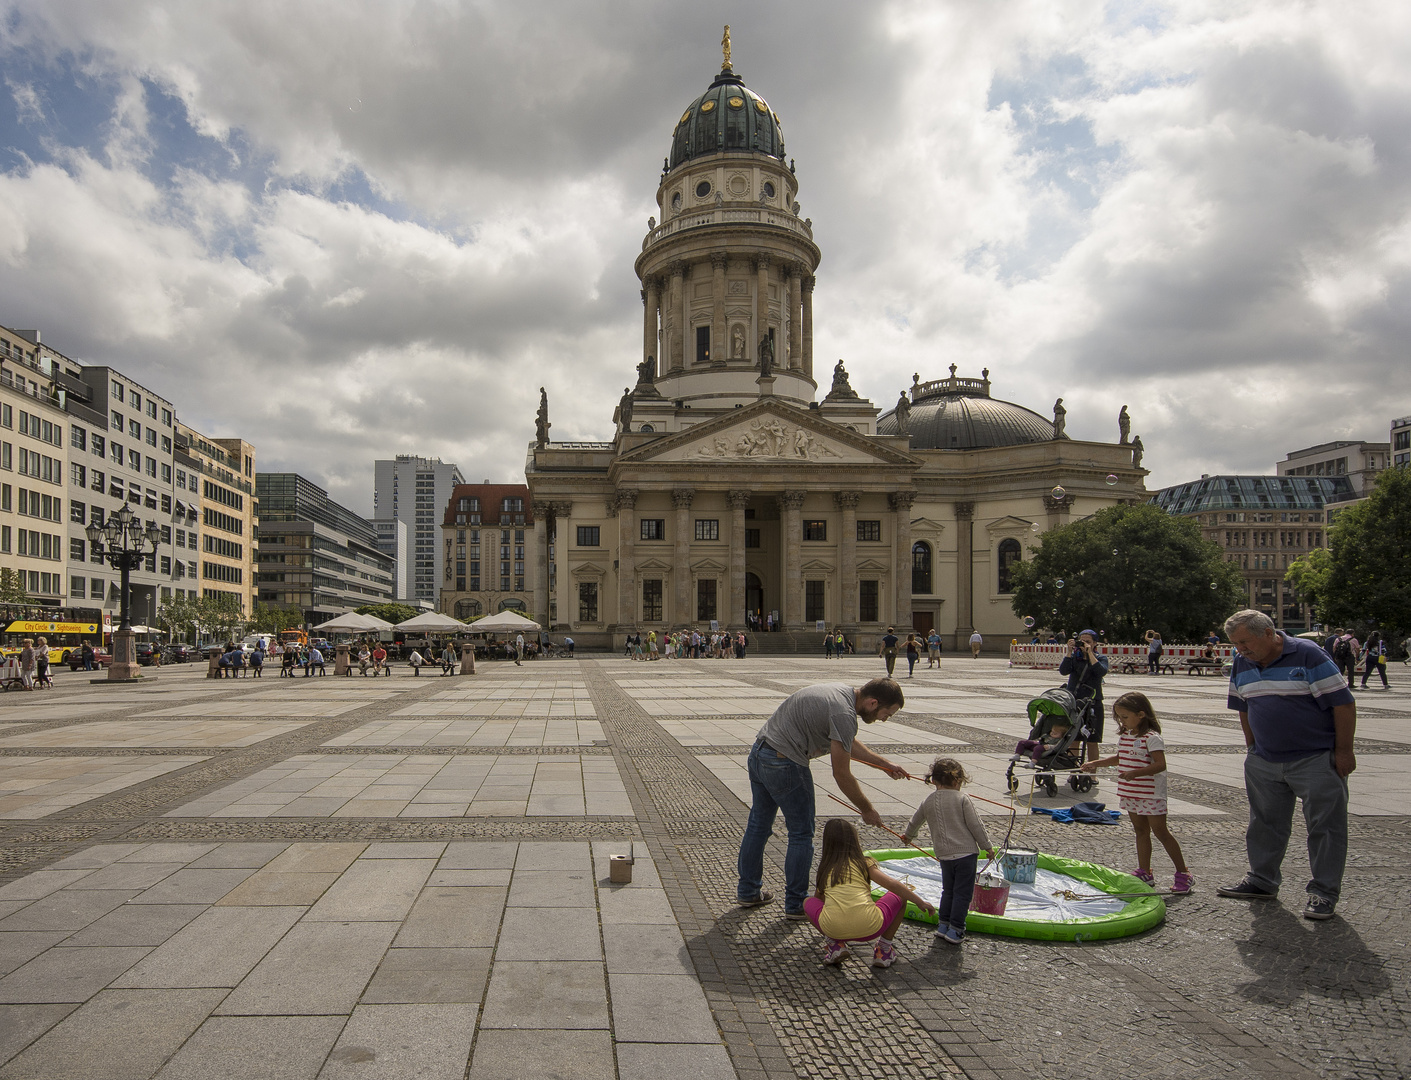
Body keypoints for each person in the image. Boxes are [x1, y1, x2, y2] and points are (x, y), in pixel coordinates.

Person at [1217, 609, 1355, 921]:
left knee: (1325, 827)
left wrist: (1344, 751)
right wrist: (1252, 747)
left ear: (1268, 633)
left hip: (1315, 758)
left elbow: (1342, 702)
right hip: (1264, 760)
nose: (1240, 650)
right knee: (1264, 823)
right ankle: (1262, 880)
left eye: (1245, 642)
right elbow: (1243, 705)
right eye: (1235, 645)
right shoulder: (1242, 662)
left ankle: (1323, 893)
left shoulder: (1307, 655)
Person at [737, 678, 909, 919]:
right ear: (873, 702)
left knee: (758, 827)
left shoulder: (840, 693)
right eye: (886, 714)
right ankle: (796, 904)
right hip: (785, 763)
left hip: (760, 753)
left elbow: (844, 739)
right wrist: (866, 809)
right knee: (801, 833)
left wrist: (883, 764)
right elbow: (841, 773)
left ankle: (748, 892)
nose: (884, 719)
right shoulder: (844, 713)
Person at [1081, 691, 1192, 894]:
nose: (1121, 722)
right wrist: (1095, 763)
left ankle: (1183, 874)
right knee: (1140, 831)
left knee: (1161, 832)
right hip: (1131, 791)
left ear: (1141, 714)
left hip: (1150, 793)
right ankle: (1144, 872)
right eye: (1118, 718)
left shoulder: (1152, 738)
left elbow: (1160, 765)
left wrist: (1136, 773)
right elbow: (1119, 758)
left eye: (1124, 717)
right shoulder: (1126, 736)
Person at [804, 819, 935, 968]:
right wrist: (920, 902)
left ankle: (835, 945)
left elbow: (819, 901)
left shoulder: (826, 868)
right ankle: (883, 950)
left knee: (808, 902)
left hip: (833, 929)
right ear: (854, 840)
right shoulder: (863, 863)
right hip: (871, 928)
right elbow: (893, 884)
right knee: (900, 895)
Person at [901, 758, 994, 944]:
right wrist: (988, 847)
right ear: (957, 781)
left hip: (944, 855)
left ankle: (943, 926)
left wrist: (908, 836)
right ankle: (956, 929)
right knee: (963, 894)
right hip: (966, 854)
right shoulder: (962, 799)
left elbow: (915, 820)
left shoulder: (928, 800)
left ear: (934, 780)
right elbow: (976, 825)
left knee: (948, 891)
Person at [1058, 629, 1109, 763]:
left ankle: (1092, 773)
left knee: (1093, 740)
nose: (1084, 644)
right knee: (1074, 739)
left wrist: (1090, 653)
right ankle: (1073, 770)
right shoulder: (1075, 658)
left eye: (1088, 641)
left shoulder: (1100, 658)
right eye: (1082, 641)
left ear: (1095, 643)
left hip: (1093, 702)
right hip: (1075, 702)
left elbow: (1101, 672)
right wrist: (1069, 652)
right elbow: (1063, 671)